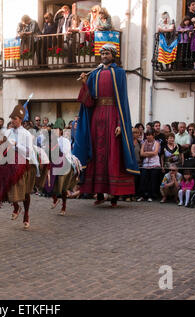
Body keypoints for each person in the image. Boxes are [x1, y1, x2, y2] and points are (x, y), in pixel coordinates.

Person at [75, 43, 139, 207]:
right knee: (96, 154)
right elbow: (88, 101)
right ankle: (99, 193)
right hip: (97, 117)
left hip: (112, 114)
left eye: (107, 53)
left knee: (112, 154)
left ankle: (115, 194)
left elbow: (121, 100)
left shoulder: (119, 73)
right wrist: (84, 83)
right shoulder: (94, 74)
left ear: (113, 55)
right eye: (102, 53)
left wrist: (120, 122)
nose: (104, 56)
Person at [0, 104, 38, 229]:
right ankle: (16, 207)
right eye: (11, 118)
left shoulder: (26, 134)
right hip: (8, 161)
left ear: (20, 119)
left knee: (25, 193)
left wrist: (16, 145)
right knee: (4, 182)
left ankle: (26, 215)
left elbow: (29, 152)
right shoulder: (7, 132)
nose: (12, 121)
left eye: (15, 118)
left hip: (23, 162)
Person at [138, 129, 161, 202]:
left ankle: (150, 196)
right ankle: (142, 195)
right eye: (147, 135)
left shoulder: (157, 143)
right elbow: (141, 154)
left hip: (154, 164)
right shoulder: (144, 142)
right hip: (145, 164)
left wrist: (146, 153)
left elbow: (155, 152)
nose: (148, 136)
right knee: (143, 180)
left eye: (149, 135)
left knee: (152, 181)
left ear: (153, 135)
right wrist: (149, 153)